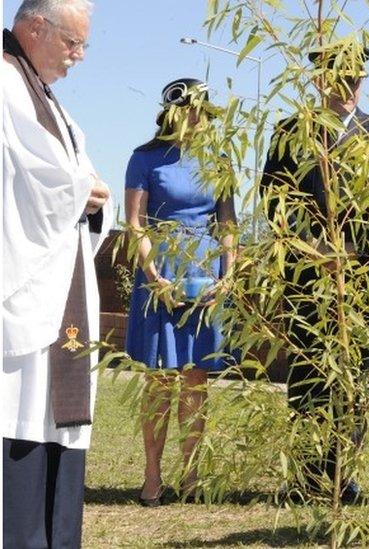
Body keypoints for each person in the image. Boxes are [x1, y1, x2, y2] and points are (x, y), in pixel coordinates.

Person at [260, 43, 369, 502]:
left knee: (357, 376)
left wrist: (349, 249)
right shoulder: (291, 130)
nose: (348, 89)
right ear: (319, 80)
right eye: (338, 79)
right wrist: (313, 245)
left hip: (362, 279)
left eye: (356, 79)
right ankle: (304, 475)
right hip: (307, 277)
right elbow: (273, 199)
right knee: (307, 374)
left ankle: (344, 471)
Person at [2, 1, 111, 546]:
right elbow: (43, 180)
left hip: (59, 281)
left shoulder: (48, 100)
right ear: (36, 27)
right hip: (21, 288)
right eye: (73, 43)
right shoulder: (5, 85)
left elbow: (77, 172)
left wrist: (89, 194)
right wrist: (80, 191)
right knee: (22, 422)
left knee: (55, 425)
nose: (79, 57)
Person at [124, 78, 236, 506]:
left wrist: (228, 274)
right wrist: (155, 278)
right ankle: (152, 477)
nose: (200, 118)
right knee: (158, 378)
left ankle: (190, 476)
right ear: (174, 113)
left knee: (195, 377)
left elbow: (227, 222)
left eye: (204, 111)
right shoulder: (145, 158)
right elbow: (135, 223)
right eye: (193, 110)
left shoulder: (219, 160)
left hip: (205, 271)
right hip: (161, 269)